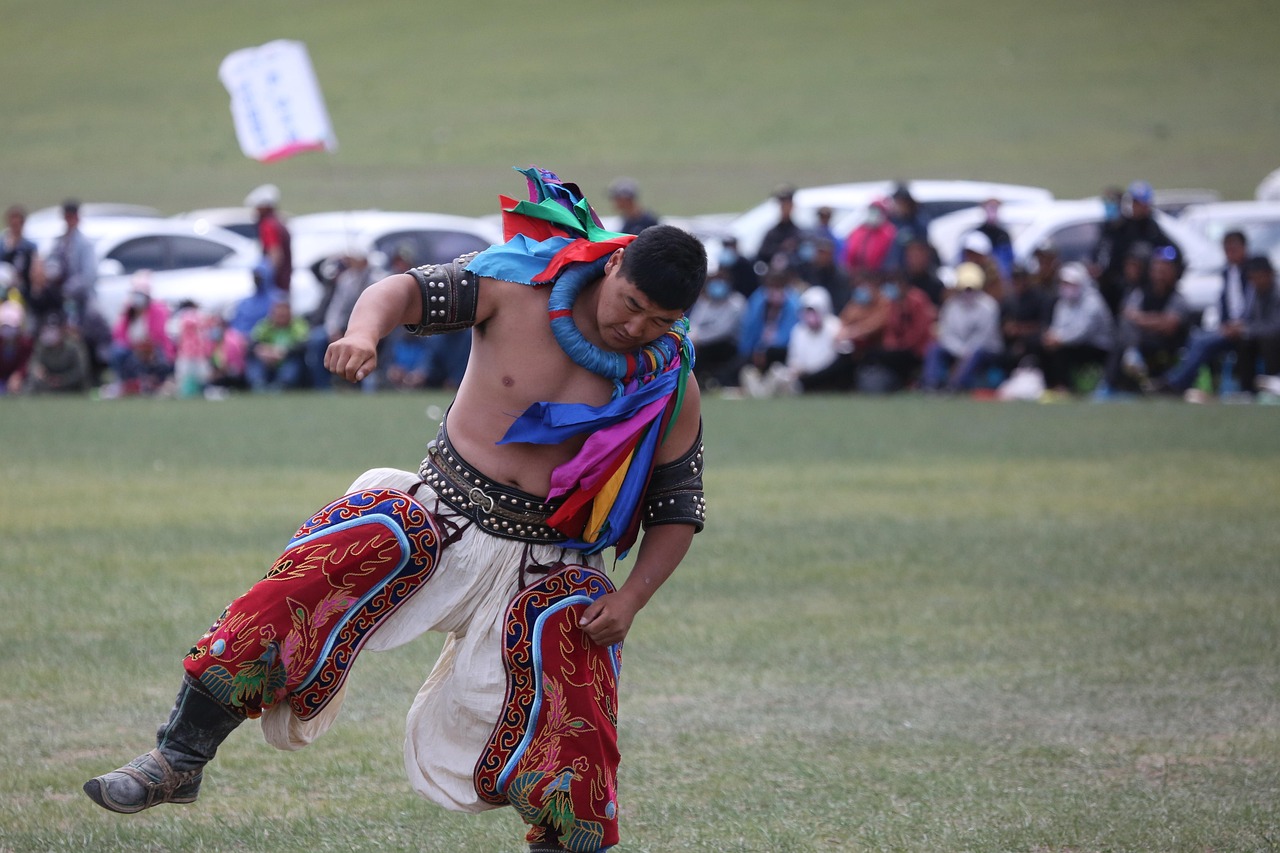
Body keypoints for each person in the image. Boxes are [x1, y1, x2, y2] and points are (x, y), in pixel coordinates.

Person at [83, 167, 708, 853]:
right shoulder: (518, 283)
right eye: (632, 304)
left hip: (554, 556)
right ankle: (177, 757)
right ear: (614, 263)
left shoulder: (668, 382)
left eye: (660, 321)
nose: (636, 327)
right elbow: (402, 291)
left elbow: (677, 506)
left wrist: (632, 599)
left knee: (580, 681)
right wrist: (363, 333)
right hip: (442, 507)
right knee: (340, 554)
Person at [1158, 255, 1280, 399]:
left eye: (1258, 277)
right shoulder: (1254, 290)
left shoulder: (1276, 293)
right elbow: (1248, 317)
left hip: (1265, 337)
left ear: (1269, 274)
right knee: (1198, 338)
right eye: (1253, 278)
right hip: (1243, 332)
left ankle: (1176, 382)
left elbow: (1274, 326)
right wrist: (1236, 326)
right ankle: (1176, 380)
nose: (1256, 282)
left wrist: (1243, 329)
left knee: (1210, 342)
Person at [1103, 245, 1192, 394]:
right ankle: (1111, 387)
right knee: (1121, 342)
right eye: (1157, 269)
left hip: (1166, 346)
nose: (1160, 275)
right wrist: (1156, 321)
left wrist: (1141, 319)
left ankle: (1116, 386)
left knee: (1139, 346)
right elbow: (1127, 315)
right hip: (1138, 342)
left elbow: (1169, 326)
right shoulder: (1141, 293)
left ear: (1175, 272)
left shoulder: (1178, 299)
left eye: (1165, 270)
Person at [1092, 181, 1178, 317]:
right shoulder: (1121, 227)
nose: (1136, 207)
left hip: (1144, 287)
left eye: (1139, 203)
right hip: (1118, 286)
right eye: (1134, 202)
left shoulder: (1152, 230)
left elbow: (1172, 254)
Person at [740, 285, 839, 397]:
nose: (811, 315)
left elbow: (832, 361)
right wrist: (797, 370)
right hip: (800, 377)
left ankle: (758, 390)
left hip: (822, 377)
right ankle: (758, 389)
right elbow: (794, 359)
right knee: (778, 372)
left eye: (813, 310)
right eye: (807, 310)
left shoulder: (834, 328)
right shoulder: (799, 330)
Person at [920, 262, 1004, 392]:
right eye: (965, 289)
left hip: (985, 351)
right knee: (934, 348)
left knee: (976, 353)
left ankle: (954, 386)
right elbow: (946, 334)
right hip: (957, 349)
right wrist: (960, 350)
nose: (968, 292)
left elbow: (984, 337)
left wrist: (968, 352)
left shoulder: (989, 306)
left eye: (971, 289)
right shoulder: (951, 306)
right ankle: (930, 384)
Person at [1037, 263, 1115, 394]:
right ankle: (1051, 386)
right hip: (1074, 344)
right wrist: (1050, 336)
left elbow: (1082, 332)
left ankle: (1065, 386)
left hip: (1097, 347)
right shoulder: (1062, 303)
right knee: (1043, 346)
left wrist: (1059, 339)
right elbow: (1057, 326)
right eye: (1064, 283)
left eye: (1070, 284)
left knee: (1062, 351)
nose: (1066, 287)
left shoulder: (1093, 302)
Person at [107, 273, 175, 396]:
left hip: (153, 348)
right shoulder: (128, 312)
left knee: (153, 361)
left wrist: (145, 346)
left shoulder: (157, 311)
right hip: (132, 348)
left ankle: (152, 384)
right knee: (118, 352)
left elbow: (158, 335)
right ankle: (123, 384)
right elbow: (118, 334)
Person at [686, 268, 745, 390]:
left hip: (728, 346)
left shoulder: (737, 302)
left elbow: (723, 330)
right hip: (702, 344)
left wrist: (698, 338)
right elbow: (693, 324)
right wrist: (692, 339)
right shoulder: (704, 302)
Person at [246, 297, 310, 392]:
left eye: (284, 314)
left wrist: (284, 352)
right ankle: (258, 384)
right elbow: (252, 342)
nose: (281, 316)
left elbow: (304, 344)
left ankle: (283, 384)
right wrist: (262, 350)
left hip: (287, 360)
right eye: (278, 314)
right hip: (267, 362)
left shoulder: (298, 325)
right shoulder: (265, 325)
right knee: (254, 360)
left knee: (294, 361)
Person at [25, 312, 91, 394]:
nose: (50, 333)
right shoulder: (41, 346)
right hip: (47, 384)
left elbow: (81, 370)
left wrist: (62, 380)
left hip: (71, 386)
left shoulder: (73, 346)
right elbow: (33, 363)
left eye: (53, 330)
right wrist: (38, 371)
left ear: (61, 330)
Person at [245, 184, 293, 293]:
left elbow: (275, 254)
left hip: (276, 285)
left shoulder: (268, 225)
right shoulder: (278, 222)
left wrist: (267, 280)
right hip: (284, 281)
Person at [841, 198, 896, 279]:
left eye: (877, 211)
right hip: (856, 275)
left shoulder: (888, 232)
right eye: (872, 210)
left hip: (877, 277)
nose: (873, 214)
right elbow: (849, 253)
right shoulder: (859, 231)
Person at [3, 204, 43, 310]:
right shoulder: (2, 246)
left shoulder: (29, 247)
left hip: (24, 291)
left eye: (18, 223)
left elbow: (36, 269)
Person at [756, 184, 801, 267]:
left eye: (788, 204)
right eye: (783, 205)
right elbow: (762, 255)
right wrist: (780, 248)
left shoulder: (799, 233)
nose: (785, 208)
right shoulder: (772, 233)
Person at [0, 299, 34, 394]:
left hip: (20, 382)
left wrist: (18, 375)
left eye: (12, 327)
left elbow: (26, 363)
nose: (9, 330)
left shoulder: (26, 343)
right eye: (5, 326)